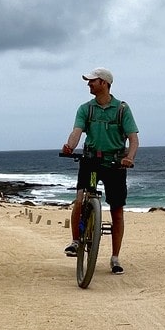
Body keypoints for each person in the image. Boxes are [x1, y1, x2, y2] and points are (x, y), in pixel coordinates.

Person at [61, 67, 139, 275]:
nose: (88, 84)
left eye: (92, 81)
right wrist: (70, 146)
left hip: (115, 165)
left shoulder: (122, 109)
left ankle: (115, 257)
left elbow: (133, 139)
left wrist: (129, 158)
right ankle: (76, 241)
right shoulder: (86, 109)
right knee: (80, 199)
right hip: (91, 163)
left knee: (117, 211)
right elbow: (76, 132)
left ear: (104, 83)